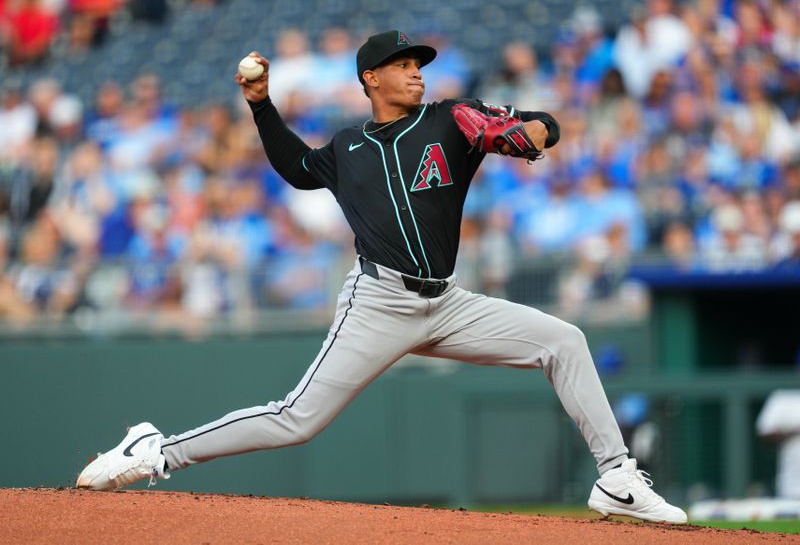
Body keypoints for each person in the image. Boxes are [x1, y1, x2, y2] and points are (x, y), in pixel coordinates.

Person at [76, 30, 687, 524]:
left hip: (448, 303)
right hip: (378, 301)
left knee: (565, 341)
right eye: (403, 64)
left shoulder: (452, 120)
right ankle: (155, 452)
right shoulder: (348, 146)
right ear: (372, 78)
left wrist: (532, 130)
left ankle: (617, 479)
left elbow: (538, 123)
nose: (417, 70)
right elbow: (294, 168)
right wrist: (261, 105)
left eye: (419, 63)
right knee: (297, 419)